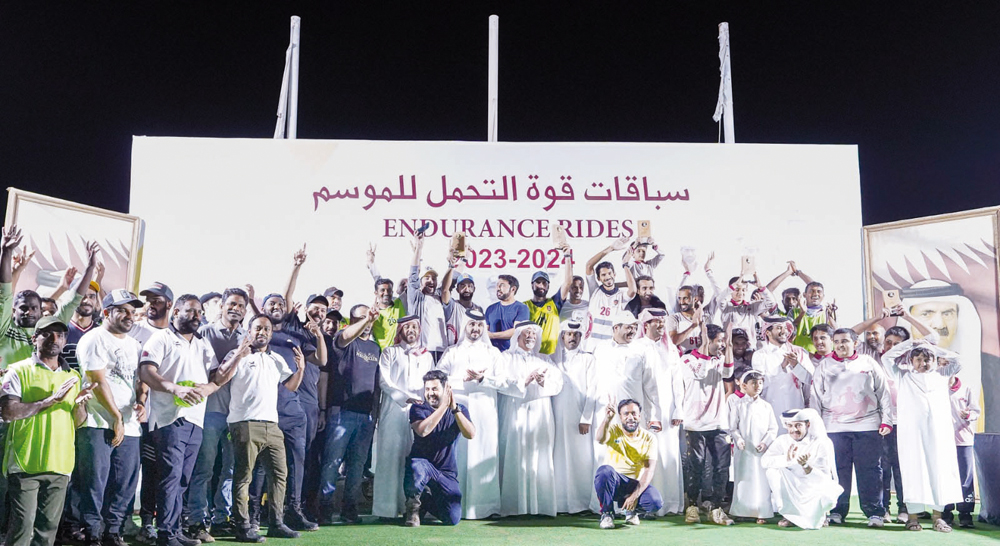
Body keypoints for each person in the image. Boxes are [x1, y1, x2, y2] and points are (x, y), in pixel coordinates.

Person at [1, 316, 95, 546]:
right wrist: (49, 401)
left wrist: (80, 404)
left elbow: (77, 422)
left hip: (60, 463)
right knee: (21, 527)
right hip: (26, 462)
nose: (55, 338)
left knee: (48, 531)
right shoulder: (18, 371)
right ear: (35, 338)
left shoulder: (72, 377)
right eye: (47, 333)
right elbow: (8, 412)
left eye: (60, 335)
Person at [139, 294, 223, 546]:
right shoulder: (161, 338)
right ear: (175, 312)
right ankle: (165, 534)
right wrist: (174, 388)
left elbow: (216, 377)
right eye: (189, 311)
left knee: (183, 478)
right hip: (168, 418)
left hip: (196, 419)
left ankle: (174, 531)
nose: (196, 316)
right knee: (170, 476)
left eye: (199, 312)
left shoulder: (203, 344)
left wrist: (237, 357)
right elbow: (146, 370)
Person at [215, 314, 303, 542]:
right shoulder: (237, 354)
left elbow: (290, 387)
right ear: (249, 331)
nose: (261, 332)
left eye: (266, 329)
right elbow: (220, 377)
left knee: (280, 475)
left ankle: (276, 523)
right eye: (257, 328)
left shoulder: (276, 359)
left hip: (272, 425)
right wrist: (239, 355)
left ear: (271, 334)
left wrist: (301, 369)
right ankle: (242, 526)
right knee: (244, 477)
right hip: (244, 423)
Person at [73, 290, 145, 546]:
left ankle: (112, 532)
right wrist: (116, 417)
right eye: (122, 310)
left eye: (132, 312)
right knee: (94, 482)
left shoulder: (134, 344)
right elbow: (97, 380)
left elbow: (138, 380)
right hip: (97, 422)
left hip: (129, 425)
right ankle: (92, 533)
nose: (129, 316)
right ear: (106, 312)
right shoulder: (94, 339)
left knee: (124, 482)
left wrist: (141, 402)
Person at [809, 328, 892, 527]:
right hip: (834, 428)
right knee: (837, 471)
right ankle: (837, 511)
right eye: (836, 341)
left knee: (870, 470)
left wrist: (887, 420)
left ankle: (874, 513)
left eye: (845, 341)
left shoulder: (868, 363)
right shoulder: (824, 366)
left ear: (855, 343)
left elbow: (884, 392)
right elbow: (815, 397)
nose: (840, 345)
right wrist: (816, 427)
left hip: (867, 425)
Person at [881, 340, 962, 532]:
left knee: (939, 471)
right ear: (911, 360)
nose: (923, 363)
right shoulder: (903, 376)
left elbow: (957, 360)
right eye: (918, 359)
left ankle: (937, 517)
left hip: (939, 433)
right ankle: (912, 517)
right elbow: (886, 358)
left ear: (934, 360)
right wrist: (910, 344)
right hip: (912, 434)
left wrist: (932, 347)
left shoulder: (942, 375)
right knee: (913, 471)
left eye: (927, 359)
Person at [186, 287, 248, 540]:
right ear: (221, 306)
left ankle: (222, 518)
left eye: (241, 306)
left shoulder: (247, 336)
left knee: (231, 470)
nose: (235, 309)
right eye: (231, 304)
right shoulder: (204, 332)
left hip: (237, 412)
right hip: (209, 410)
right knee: (205, 468)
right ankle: (196, 521)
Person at [433, 309, 502, 519]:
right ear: (465, 326)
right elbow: (438, 376)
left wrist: (483, 379)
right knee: (458, 456)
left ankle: (486, 507)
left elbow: (503, 380)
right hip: (459, 409)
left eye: (479, 325)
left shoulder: (493, 353)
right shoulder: (452, 351)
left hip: (485, 410)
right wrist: (461, 379)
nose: (475, 329)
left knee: (485, 453)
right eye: (472, 324)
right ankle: (454, 505)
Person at [318, 304, 381, 524]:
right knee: (332, 463)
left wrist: (376, 414)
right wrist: (367, 319)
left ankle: (350, 509)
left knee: (357, 465)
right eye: (360, 318)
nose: (367, 321)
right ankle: (324, 509)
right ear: (352, 321)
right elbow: (345, 337)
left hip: (366, 417)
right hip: (341, 413)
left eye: (369, 318)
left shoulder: (375, 347)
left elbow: (376, 384)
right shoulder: (342, 342)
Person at [494, 320, 563, 516]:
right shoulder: (505, 358)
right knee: (515, 453)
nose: (531, 336)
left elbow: (558, 383)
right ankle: (514, 506)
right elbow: (498, 381)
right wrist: (522, 382)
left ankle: (540, 506)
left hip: (540, 413)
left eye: (534, 333)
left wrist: (543, 381)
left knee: (538, 456)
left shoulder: (544, 360)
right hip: (514, 412)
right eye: (527, 332)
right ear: (518, 336)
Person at [373, 315, 434, 518]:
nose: (411, 330)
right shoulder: (390, 352)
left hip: (419, 413)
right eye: (406, 326)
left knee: (414, 458)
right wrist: (405, 398)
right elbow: (385, 381)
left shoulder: (426, 356)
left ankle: (412, 508)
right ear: (400, 331)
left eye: (414, 327)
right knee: (390, 457)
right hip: (394, 411)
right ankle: (386, 509)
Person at [128, 281, 174, 545]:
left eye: (156, 300)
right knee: (132, 470)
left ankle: (152, 522)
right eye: (148, 300)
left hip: (165, 414)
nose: (150, 305)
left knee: (157, 471)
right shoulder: (135, 330)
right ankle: (128, 522)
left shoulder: (175, 334)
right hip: (133, 412)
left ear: (169, 303)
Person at [402, 370, 475, 527]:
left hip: (446, 473)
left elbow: (470, 434)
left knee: (452, 519)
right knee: (417, 466)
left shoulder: (460, 409)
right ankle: (413, 510)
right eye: (427, 389)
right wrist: (443, 407)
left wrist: (454, 408)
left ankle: (425, 502)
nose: (430, 393)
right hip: (423, 465)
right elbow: (423, 431)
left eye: (434, 389)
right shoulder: (417, 408)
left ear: (446, 389)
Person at [679, 323, 734, 525]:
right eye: (718, 340)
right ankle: (692, 506)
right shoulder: (687, 359)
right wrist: (702, 345)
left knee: (722, 467)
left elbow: (728, 373)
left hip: (718, 422)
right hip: (695, 422)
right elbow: (700, 373)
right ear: (707, 340)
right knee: (697, 465)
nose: (721, 344)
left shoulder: (719, 358)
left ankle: (716, 508)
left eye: (722, 340)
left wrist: (728, 347)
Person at [632, 308, 685, 516]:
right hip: (645, 410)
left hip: (669, 411)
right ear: (645, 325)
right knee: (646, 455)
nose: (661, 326)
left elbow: (677, 381)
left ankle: (670, 504)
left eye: (663, 322)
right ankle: (645, 503)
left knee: (668, 453)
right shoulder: (636, 347)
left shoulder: (670, 349)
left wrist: (678, 408)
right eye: (657, 322)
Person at [761, 408, 842, 530]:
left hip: (813, 487)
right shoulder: (782, 440)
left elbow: (824, 477)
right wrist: (786, 460)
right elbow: (764, 461)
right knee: (772, 472)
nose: (794, 430)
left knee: (828, 498)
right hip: (793, 484)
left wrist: (806, 466)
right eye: (790, 426)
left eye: (798, 425)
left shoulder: (822, 443)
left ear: (808, 425)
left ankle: (820, 514)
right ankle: (789, 515)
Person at [550, 320, 597, 514]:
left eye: (576, 335)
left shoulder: (588, 359)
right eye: (568, 334)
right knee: (559, 458)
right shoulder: (553, 359)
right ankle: (560, 503)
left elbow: (593, 390)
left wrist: (586, 417)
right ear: (562, 337)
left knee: (581, 459)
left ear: (581, 337)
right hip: (557, 417)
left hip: (579, 419)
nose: (572, 338)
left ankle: (581, 503)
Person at [594, 398, 662, 529]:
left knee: (655, 502)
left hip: (633, 484)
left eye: (634, 413)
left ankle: (631, 511)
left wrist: (634, 496)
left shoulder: (649, 438)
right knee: (604, 471)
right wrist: (607, 419)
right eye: (626, 414)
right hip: (614, 481)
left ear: (639, 416)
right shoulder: (613, 430)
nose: (630, 417)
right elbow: (600, 439)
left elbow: (649, 470)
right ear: (620, 416)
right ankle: (607, 514)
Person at [727, 370, 778, 523]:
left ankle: (761, 511)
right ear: (744, 385)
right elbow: (733, 427)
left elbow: (772, 428)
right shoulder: (738, 405)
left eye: (760, 383)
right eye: (754, 383)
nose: (757, 386)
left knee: (761, 480)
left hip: (760, 450)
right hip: (743, 450)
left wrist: (765, 442)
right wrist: (739, 439)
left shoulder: (766, 406)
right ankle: (741, 510)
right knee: (743, 479)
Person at [751, 315, 813, 429]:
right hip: (771, 411)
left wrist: (796, 365)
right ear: (768, 332)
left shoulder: (798, 352)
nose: (784, 331)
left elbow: (811, 380)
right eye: (779, 327)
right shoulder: (760, 355)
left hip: (796, 409)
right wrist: (781, 368)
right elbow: (760, 385)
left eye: (785, 327)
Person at [583, 237, 636, 350]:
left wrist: (625, 265)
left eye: (609, 273)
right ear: (598, 278)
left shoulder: (620, 295)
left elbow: (633, 290)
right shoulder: (595, 291)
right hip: (590, 346)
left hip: (610, 347)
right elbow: (588, 266)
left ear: (614, 274)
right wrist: (610, 248)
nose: (607, 277)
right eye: (603, 275)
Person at [407, 235, 451, 359]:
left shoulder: (440, 297)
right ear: (420, 281)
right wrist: (418, 249)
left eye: (434, 278)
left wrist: (455, 262)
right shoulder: (416, 297)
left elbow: (450, 281)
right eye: (427, 278)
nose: (431, 281)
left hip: (442, 351)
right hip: (422, 351)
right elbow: (413, 275)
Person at [944, 372, 979, 528]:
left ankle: (965, 514)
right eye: (943, 364)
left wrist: (968, 414)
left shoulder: (966, 388)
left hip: (963, 440)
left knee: (965, 477)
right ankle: (946, 512)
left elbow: (975, 411)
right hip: (943, 441)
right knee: (945, 476)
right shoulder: (936, 388)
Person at [524, 269, 567, 355]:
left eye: (544, 283)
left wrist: (567, 256)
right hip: (531, 356)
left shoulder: (555, 303)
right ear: (532, 285)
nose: (541, 285)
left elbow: (568, 283)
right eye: (538, 282)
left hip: (551, 356)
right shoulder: (523, 306)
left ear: (548, 286)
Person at [62, 280, 102, 369]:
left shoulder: (102, 333)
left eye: (92, 296)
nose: (87, 300)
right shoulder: (60, 328)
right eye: (82, 296)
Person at [485, 275, 529, 351]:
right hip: (492, 355)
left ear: (513, 289)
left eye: (502, 285)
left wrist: (492, 335)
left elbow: (517, 331)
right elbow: (485, 332)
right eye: (497, 285)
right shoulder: (490, 309)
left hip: (513, 355)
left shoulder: (522, 308)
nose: (498, 288)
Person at [371, 278, 406, 350]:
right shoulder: (372, 313)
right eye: (382, 290)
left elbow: (413, 285)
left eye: (389, 290)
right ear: (376, 293)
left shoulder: (399, 303)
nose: (386, 293)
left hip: (400, 352)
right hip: (381, 354)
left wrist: (402, 284)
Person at [667, 286, 704, 355]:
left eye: (685, 298)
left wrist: (701, 324)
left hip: (700, 360)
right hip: (681, 360)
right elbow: (673, 341)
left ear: (695, 299)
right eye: (679, 298)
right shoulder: (674, 318)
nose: (681, 302)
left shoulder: (703, 318)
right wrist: (693, 326)